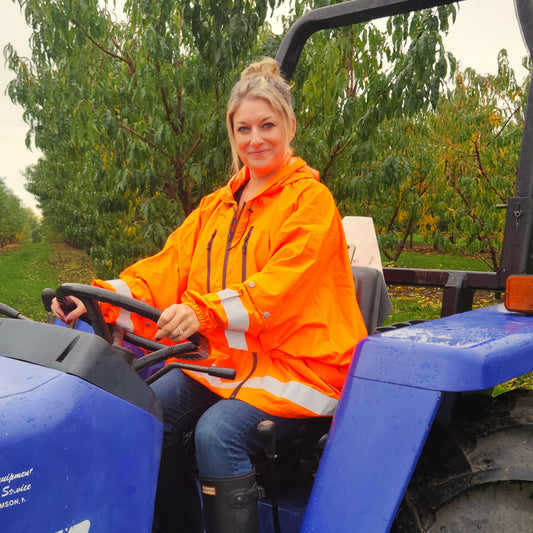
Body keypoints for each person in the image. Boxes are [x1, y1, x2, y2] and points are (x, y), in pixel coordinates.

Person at [52, 57, 367, 533]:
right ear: (232, 134)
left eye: (267, 125)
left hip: (299, 368)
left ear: (290, 127)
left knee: (216, 434)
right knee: (143, 412)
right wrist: (99, 298)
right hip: (225, 365)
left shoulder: (310, 202)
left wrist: (204, 312)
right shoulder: (216, 208)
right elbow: (166, 268)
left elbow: (283, 286)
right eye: (244, 129)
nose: (255, 139)